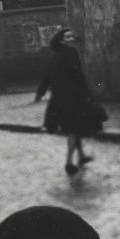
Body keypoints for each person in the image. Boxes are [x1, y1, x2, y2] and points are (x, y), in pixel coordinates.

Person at [34, 27, 101, 176]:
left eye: (72, 37)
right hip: (73, 97)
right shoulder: (71, 53)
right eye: (68, 37)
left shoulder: (57, 56)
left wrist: (40, 92)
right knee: (74, 129)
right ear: (61, 40)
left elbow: (47, 76)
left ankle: (82, 156)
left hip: (59, 99)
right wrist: (88, 94)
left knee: (74, 127)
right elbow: (78, 75)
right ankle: (69, 162)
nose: (71, 39)